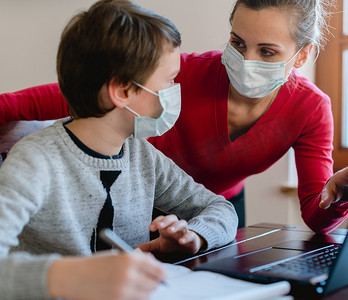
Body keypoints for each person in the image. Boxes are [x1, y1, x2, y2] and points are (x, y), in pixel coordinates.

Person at [0, 0, 348, 231]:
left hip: (216, 207)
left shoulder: (311, 109)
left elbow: (315, 216)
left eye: (268, 52)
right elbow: (52, 97)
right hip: (140, 203)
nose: (246, 62)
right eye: (238, 43)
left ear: (301, 56)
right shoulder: (184, 73)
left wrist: (337, 197)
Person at [0, 1, 238, 299]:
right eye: (169, 79)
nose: (176, 90)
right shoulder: (35, 161)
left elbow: (221, 209)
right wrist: (68, 275)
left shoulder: (141, 155)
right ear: (123, 91)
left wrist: (194, 237)